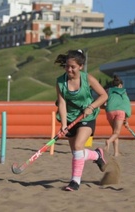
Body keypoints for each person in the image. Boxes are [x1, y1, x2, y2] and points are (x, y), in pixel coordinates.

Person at [55, 49, 108, 191]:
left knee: (78, 146)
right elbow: (62, 103)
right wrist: (64, 125)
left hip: (87, 116)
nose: (69, 69)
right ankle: (96, 155)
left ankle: (75, 181)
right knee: (77, 153)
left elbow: (103, 95)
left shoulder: (87, 79)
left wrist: (91, 106)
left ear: (80, 66)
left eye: (72, 67)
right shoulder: (60, 82)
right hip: (70, 117)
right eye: (67, 66)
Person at [103, 75, 131, 157]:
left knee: (114, 132)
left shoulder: (108, 90)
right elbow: (126, 104)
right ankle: (108, 141)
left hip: (110, 111)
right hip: (120, 111)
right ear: (121, 85)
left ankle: (116, 152)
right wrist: (127, 120)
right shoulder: (124, 91)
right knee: (117, 132)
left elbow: (103, 100)